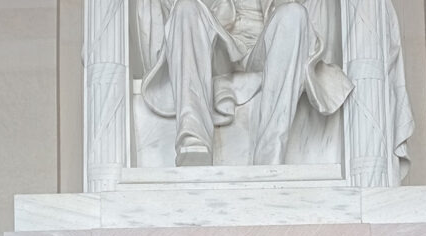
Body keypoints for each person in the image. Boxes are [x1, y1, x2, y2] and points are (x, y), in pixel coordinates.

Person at [136, 0, 353, 166]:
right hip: (216, 45)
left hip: (264, 48)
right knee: (186, 7)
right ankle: (194, 139)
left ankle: (270, 152)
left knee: (294, 14)